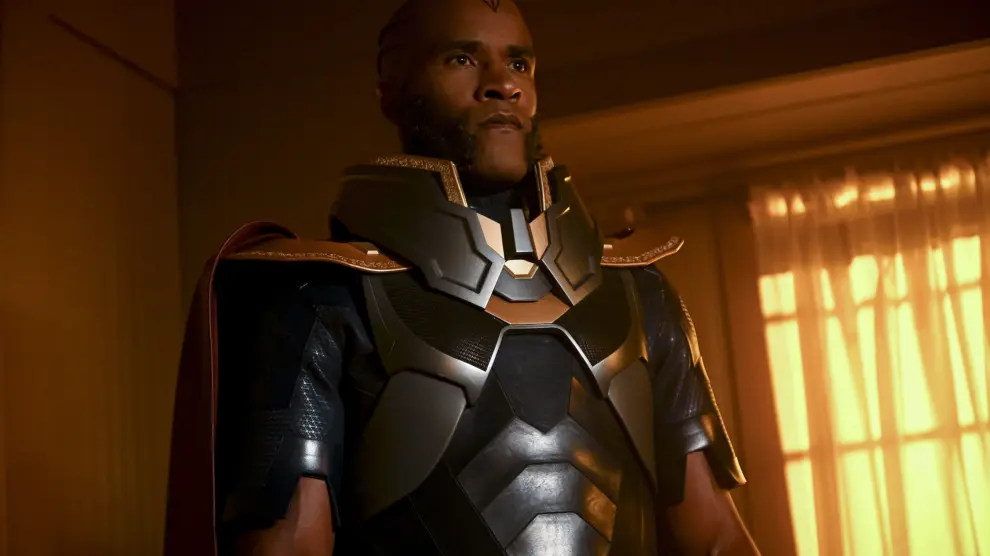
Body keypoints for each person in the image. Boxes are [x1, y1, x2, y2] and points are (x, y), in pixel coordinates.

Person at [164, 0, 761, 554]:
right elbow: (291, 546)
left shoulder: (642, 294)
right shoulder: (317, 296)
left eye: (519, 63)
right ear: (392, 92)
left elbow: (716, 539)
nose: (503, 83)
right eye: (461, 59)